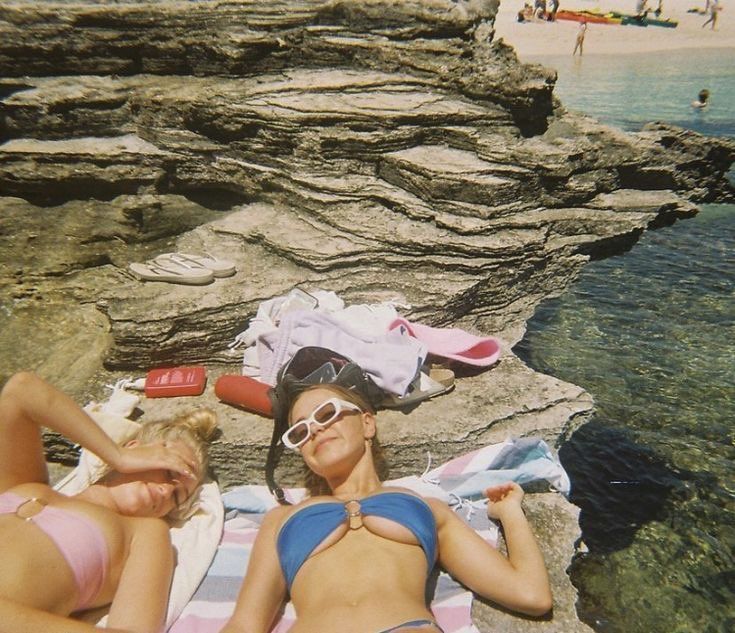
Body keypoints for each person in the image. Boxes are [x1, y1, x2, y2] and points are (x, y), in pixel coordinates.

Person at [222, 384, 552, 633]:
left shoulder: (430, 509)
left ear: (367, 424)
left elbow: (531, 595)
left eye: (327, 413)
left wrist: (510, 512)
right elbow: (245, 624)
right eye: (300, 431)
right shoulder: (280, 519)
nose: (316, 429)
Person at [0, 371, 217, 633]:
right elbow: (22, 390)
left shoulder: (144, 535)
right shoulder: (25, 483)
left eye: (177, 496)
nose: (164, 491)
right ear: (136, 447)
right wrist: (118, 456)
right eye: (169, 472)